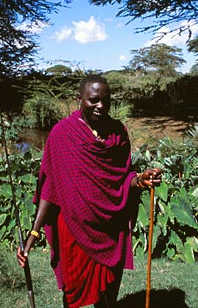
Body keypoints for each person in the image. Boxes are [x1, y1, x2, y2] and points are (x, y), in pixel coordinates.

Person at [17, 74, 162, 308]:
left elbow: (125, 177)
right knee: (73, 297)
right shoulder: (62, 134)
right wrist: (32, 236)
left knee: (107, 296)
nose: (101, 106)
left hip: (110, 226)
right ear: (80, 99)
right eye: (93, 100)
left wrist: (141, 180)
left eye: (106, 100)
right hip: (74, 228)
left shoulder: (117, 132)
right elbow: (49, 189)